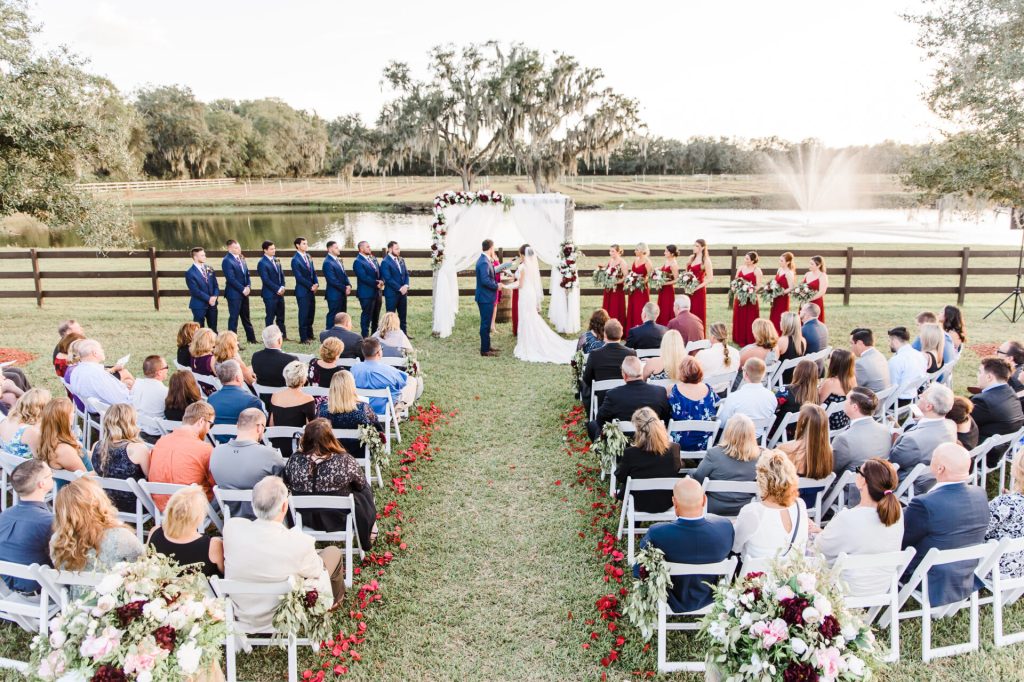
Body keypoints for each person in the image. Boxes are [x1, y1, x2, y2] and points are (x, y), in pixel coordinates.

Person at [223, 476, 347, 629]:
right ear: (284, 507)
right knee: (332, 553)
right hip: (283, 614)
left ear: (253, 504)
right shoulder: (298, 542)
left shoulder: (232, 529)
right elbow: (316, 570)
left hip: (243, 613)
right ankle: (335, 602)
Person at [901, 443, 989, 604]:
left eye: (933, 459)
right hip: (965, 572)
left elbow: (902, 538)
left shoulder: (925, 503)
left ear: (940, 469)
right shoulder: (980, 493)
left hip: (928, 575)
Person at [635, 478, 733, 613]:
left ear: (674, 502)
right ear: (704, 500)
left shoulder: (657, 533)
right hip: (710, 595)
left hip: (672, 597)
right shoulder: (725, 528)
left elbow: (639, 569)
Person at [814, 458, 904, 596]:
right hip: (880, 588)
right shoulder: (897, 515)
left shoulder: (848, 518)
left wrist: (817, 534)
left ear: (863, 481)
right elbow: (863, 542)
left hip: (844, 589)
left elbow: (819, 548)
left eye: (858, 471)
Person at [284, 419, 376, 549]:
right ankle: (370, 531)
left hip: (305, 516)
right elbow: (360, 484)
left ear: (306, 438)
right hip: (338, 518)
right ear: (330, 437)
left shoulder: (294, 460)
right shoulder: (344, 460)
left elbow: (286, 481)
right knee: (363, 489)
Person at [49, 478, 144, 595]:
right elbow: (143, 564)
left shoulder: (58, 541)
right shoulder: (120, 536)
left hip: (77, 606)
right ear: (99, 503)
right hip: (117, 604)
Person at [732, 450, 808, 571]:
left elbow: (735, 547)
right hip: (789, 580)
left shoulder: (752, 512)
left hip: (754, 584)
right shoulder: (800, 505)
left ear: (762, 479)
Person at [209, 408, 284, 519]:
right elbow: (282, 484)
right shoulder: (270, 455)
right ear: (259, 427)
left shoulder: (216, 452)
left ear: (237, 426)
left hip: (231, 518)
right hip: (263, 517)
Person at [148, 401, 216, 511]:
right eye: (210, 424)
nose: (209, 429)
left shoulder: (161, 441)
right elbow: (214, 482)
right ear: (201, 421)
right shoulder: (205, 449)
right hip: (189, 508)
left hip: (160, 505)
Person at [889, 384, 956, 494]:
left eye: (922, 397)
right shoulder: (951, 425)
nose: (919, 396)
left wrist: (895, 436)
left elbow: (893, 460)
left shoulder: (912, 440)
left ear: (929, 407)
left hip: (908, 484)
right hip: (933, 479)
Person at [691, 414, 761, 516]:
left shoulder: (713, 454)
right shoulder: (760, 457)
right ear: (752, 434)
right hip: (745, 507)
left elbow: (698, 479)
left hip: (713, 507)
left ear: (729, 432)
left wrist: (690, 473)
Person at [0, 460, 54, 592]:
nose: (53, 475)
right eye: (50, 474)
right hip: (44, 591)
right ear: (42, 483)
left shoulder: (4, 516)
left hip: (7, 589)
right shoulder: (48, 521)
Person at [148, 485, 224, 578]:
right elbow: (227, 574)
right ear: (198, 517)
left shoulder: (154, 533)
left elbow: (147, 566)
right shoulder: (213, 545)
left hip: (161, 589)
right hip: (201, 591)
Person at [588, 357, 671, 441]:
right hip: (652, 439)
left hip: (624, 442)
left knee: (592, 425)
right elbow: (666, 418)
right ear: (642, 372)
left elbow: (601, 419)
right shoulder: (660, 392)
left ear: (624, 375)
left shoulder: (613, 395)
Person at [614, 407, 681, 511]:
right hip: (666, 502)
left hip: (637, 502)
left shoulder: (630, 453)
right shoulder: (674, 448)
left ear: (637, 429)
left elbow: (620, 477)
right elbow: (676, 469)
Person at [91, 403, 151, 512]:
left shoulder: (97, 446)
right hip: (136, 505)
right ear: (130, 423)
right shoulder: (138, 449)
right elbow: (150, 477)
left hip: (106, 503)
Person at [778, 404, 834, 506]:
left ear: (802, 422)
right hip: (810, 503)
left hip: (785, 503)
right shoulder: (828, 450)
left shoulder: (785, 449)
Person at [318, 370, 383, 455]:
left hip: (332, 453)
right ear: (351, 387)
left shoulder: (322, 409)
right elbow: (378, 430)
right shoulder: (363, 409)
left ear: (332, 388)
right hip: (359, 453)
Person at [350, 339, 419, 418]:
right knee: (412, 381)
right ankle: (397, 410)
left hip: (361, 407)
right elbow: (403, 382)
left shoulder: (354, 369)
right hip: (384, 409)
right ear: (379, 353)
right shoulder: (389, 370)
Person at [831, 387, 891, 475]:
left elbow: (831, 469)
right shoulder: (885, 430)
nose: (844, 402)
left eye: (846, 399)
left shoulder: (844, 439)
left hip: (851, 485)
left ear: (854, 407)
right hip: (878, 482)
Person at [665, 356, 720, 452]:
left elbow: (664, 409)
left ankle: (678, 459)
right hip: (704, 441)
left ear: (681, 372)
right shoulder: (709, 389)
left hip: (678, 442)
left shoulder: (673, 389)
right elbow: (715, 407)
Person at [581, 319, 636, 409]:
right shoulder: (631, 353)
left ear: (605, 335)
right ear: (621, 333)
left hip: (602, 400)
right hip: (625, 397)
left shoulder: (594, 354)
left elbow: (587, 379)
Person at [986, 451, 1024, 579]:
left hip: (995, 568)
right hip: (1020, 570)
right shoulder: (1011, 502)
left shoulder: (1006, 503)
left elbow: (977, 528)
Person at [268, 361, 317, 457]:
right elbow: (310, 430)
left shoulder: (275, 396)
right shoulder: (307, 399)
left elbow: (271, 424)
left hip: (276, 447)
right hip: (298, 449)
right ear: (303, 379)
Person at [715, 358, 776, 434]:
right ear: (763, 375)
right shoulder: (771, 396)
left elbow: (722, 423)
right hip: (757, 439)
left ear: (745, 374)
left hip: (734, 440)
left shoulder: (734, 397)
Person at [972, 356, 1024, 444]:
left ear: (989, 377)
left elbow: (960, 421)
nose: (977, 375)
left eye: (980, 372)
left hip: (981, 452)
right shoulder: (1012, 394)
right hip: (1002, 449)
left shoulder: (983, 401)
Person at [38, 398, 90, 481]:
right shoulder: (63, 450)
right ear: (64, 419)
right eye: (72, 413)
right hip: (82, 490)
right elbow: (86, 479)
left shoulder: (51, 439)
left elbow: (85, 455)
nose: (74, 415)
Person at [68, 339, 131, 407]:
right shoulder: (98, 374)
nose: (102, 351)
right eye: (101, 349)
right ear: (95, 353)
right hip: (112, 411)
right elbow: (121, 400)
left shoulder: (75, 371)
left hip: (94, 408)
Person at [208, 360, 264, 437]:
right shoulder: (252, 401)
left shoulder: (211, 399)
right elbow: (261, 428)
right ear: (238, 377)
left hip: (220, 445)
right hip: (245, 445)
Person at [221, 239, 257, 344]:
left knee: (246, 316)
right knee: (234, 318)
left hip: (245, 292)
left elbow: (247, 274)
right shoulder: (227, 260)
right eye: (236, 248)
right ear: (229, 248)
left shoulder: (241, 257)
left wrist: (248, 286)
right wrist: (242, 289)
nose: (239, 249)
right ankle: (232, 342)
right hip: (234, 294)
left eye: (239, 247)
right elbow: (231, 279)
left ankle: (252, 339)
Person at [772, 359, 819, 438]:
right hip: (800, 434)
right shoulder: (815, 394)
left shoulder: (786, 390)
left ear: (797, 372)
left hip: (780, 433)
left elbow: (772, 407)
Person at [0, 388, 49, 458]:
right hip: (30, 467)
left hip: (10, 466)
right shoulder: (30, 432)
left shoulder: (5, 421)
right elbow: (41, 459)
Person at [131, 355, 169, 438]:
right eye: (166, 367)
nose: (167, 369)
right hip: (158, 433)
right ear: (159, 372)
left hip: (137, 430)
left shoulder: (136, 384)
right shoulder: (166, 392)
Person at [353, 240, 384, 337]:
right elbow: (363, 277)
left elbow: (380, 271)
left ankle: (375, 335)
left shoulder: (373, 259)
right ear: (361, 249)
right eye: (367, 247)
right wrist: (376, 283)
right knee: (367, 315)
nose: (369, 248)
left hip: (377, 292)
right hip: (366, 293)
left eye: (369, 246)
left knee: (376, 315)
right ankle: (365, 336)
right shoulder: (358, 261)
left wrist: (382, 281)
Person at [256, 240, 288, 339]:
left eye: (274, 248)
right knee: (270, 317)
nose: (274, 250)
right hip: (269, 294)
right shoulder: (262, 263)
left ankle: (282, 335)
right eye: (271, 249)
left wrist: (282, 286)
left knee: (281, 316)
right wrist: (277, 289)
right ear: (265, 250)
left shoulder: (277, 260)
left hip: (280, 293)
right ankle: (269, 337)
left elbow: (281, 275)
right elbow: (265, 279)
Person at [290, 236, 319, 344]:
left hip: (311, 289)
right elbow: (299, 277)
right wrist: (310, 286)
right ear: (298, 245)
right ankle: (303, 338)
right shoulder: (295, 260)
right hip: (302, 291)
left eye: (307, 243)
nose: (306, 245)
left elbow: (313, 272)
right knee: (303, 314)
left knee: (311, 313)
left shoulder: (308, 256)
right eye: (304, 244)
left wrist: (316, 283)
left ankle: (310, 335)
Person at [819, 348, 856, 431]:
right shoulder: (852, 378)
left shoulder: (830, 383)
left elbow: (817, 403)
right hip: (845, 419)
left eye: (830, 358)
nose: (827, 360)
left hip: (829, 422)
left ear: (835, 363)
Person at [475, 239, 501, 357]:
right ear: (490, 248)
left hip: (486, 297)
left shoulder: (484, 259)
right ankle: (484, 350)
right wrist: (496, 286)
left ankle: (487, 346)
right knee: (485, 324)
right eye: (493, 248)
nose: (494, 250)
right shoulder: (484, 262)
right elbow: (485, 280)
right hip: (485, 298)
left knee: (486, 322)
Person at [731, 251, 762, 346]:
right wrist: (734, 288)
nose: (745, 260)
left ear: (752, 261)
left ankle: (750, 339)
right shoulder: (740, 268)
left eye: (747, 259)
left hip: (750, 299)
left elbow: (759, 285)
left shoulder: (757, 270)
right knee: (739, 317)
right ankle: (738, 338)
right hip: (739, 297)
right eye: (745, 258)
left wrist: (750, 290)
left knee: (750, 318)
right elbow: (735, 281)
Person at [887, 326, 928, 399]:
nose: (889, 344)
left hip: (896, 401)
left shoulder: (896, 360)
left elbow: (892, 386)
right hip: (913, 396)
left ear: (895, 340)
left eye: (890, 340)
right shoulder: (920, 355)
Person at [184, 246, 219, 330]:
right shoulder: (190, 273)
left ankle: (214, 343)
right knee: (199, 329)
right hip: (198, 305)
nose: (205, 257)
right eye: (202, 255)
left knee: (213, 328)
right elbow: (195, 291)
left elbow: (215, 285)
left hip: (212, 304)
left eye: (204, 255)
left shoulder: (209, 269)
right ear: (195, 257)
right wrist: (209, 299)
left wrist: (214, 296)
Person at [381, 240, 411, 336]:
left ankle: (404, 335)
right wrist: (400, 288)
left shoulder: (401, 259)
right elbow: (388, 279)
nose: (399, 250)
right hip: (391, 293)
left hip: (403, 293)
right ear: (390, 249)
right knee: (390, 316)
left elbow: (406, 274)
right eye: (396, 249)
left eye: (399, 248)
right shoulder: (385, 262)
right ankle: (390, 335)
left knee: (403, 315)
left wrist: (406, 286)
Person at [322, 240, 352, 331]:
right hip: (334, 294)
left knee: (342, 315)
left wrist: (349, 285)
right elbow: (332, 280)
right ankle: (329, 333)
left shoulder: (338, 260)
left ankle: (341, 333)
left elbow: (344, 275)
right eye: (336, 247)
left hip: (342, 293)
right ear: (330, 249)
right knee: (333, 315)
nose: (339, 249)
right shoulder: (327, 262)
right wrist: (344, 288)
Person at [850, 328, 891, 392]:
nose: (851, 347)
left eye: (852, 343)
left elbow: (851, 388)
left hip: (871, 400)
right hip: (884, 398)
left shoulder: (860, 364)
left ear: (859, 343)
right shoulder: (879, 355)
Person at [685, 239, 713, 330]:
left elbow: (710, 278)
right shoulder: (691, 258)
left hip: (699, 291)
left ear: (703, 247)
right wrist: (685, 282)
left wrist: (697, 287)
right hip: (689, 290)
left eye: (697, 246)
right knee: (688, 312)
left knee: (697, 312)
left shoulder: (706, 260)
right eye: (694, 245)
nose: (694, 247)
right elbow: (686, 273)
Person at [625, 243, 654, 331]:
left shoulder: (647, 262)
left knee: (640, 308)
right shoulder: (635, 259)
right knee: (632, 308)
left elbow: (650, 277)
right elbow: (632, 273)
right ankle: (631, 329)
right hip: (633, 289)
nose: (635, 251)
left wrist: (640, 281)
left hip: (642, 290)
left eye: (637, 250)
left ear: (642, 251)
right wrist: (631, 280)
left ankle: (642, 329)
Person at [600, 244, 628, 328]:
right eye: (610, 251)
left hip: (617, 290)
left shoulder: (622, 262)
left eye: (613, 251)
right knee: (607, 308)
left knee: (615, 308)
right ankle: (606, 327)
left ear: (619, 252)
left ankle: (616, 328)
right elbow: (607, 272)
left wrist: (615, 282)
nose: (610, 253)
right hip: (609, 289)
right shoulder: (610, 260)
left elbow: (626, 277)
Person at [774, 312, 807, 382]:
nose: (780, 323)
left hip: (781, 379)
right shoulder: (802, 341)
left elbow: (773, 362)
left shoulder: (781, 341)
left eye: (781, 321)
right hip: (795, 378)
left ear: (786, 324)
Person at [769, 251, 797, 334]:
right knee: (774, 315)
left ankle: (780, 334)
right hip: (775, 298)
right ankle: (773, 333)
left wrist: (781, 293)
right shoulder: (779, 269)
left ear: (788, 262)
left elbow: (791, 288)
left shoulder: (789, 273)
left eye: (782, 261)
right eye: (779, 260)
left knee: (780, 316)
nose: (779, 262)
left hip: (783, 298)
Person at [655, 245, 679, 326]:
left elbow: (676, 279)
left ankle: (666, 326)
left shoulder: (674, 264)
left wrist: (664, 283)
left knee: (666, 309)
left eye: (666, 251)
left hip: (668, 290)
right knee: (661, 308)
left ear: (672, 253)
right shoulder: (667, 261)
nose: (664, 253)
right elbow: (663, 272)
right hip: (662, 290)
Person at [802, 256, 828, 321]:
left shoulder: (822, 276)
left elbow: (822, 291)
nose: (809, 265)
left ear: (818, 265)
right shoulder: (807, 274)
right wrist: (802, 295)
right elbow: (802, 287)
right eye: (809, 263)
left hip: (816, 302)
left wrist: (810, 299)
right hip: (805, 302)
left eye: (812, 264)